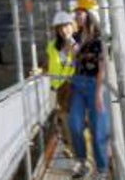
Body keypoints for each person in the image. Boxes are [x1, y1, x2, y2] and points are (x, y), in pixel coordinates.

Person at [69, 0, 109, 179]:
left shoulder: (100, 38)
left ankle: (101, 170)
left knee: (98, 129)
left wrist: (99, 93)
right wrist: (71, 46)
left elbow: (102, 66)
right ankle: (83, 162)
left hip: (94, 85)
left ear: (89, 14)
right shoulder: (77, 36)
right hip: (78, 83)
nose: (77, 16)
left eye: (80, 13)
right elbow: (72, 56)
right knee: (74, 124)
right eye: (76, 13)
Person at [47, 10, 77, 154]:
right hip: (58, 88)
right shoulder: (52, 46)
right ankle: (71, 147)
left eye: (66, 26)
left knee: (74, 120)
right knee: (63, 119)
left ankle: (79, 151)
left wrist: (73, 47)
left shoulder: (78, 45)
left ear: (72, 26)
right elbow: (49, 64)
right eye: (60, 28)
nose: (64, 31)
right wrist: (40, 70)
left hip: (73, 86)